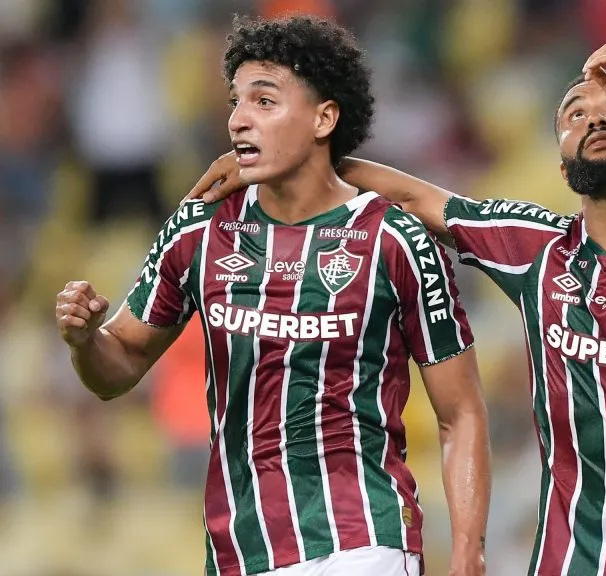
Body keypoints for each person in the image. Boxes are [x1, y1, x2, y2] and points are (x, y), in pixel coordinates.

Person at [191, 14, 606, 575]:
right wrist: (282, 162)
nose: (596, 119)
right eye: (575, 115)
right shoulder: (541, 250)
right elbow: (417, 200)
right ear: (563, 169)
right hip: (571, 563)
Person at [55, 15, 489, 576]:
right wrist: (86, 340)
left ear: (324, 118)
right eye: (237, 102)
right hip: (241, 550)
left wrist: (467, 552)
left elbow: (461, 413)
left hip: (363, 540)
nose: (238, 120)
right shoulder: (200, 229)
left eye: (264, 101)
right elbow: (120, 366)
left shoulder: (393, 239)